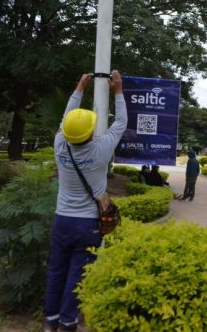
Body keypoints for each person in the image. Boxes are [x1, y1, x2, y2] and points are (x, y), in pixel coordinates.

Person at [44, 70, 127, 332]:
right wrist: (118, 91)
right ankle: (68, 322)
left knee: (56, 270)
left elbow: (66, 120)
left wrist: (79, 88)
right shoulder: (101, 150)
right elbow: (121, 123)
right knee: (77, 275)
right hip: (87, 225)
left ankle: (51, 321)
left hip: (62, 221)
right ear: (92, 131)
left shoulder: (60, 144)